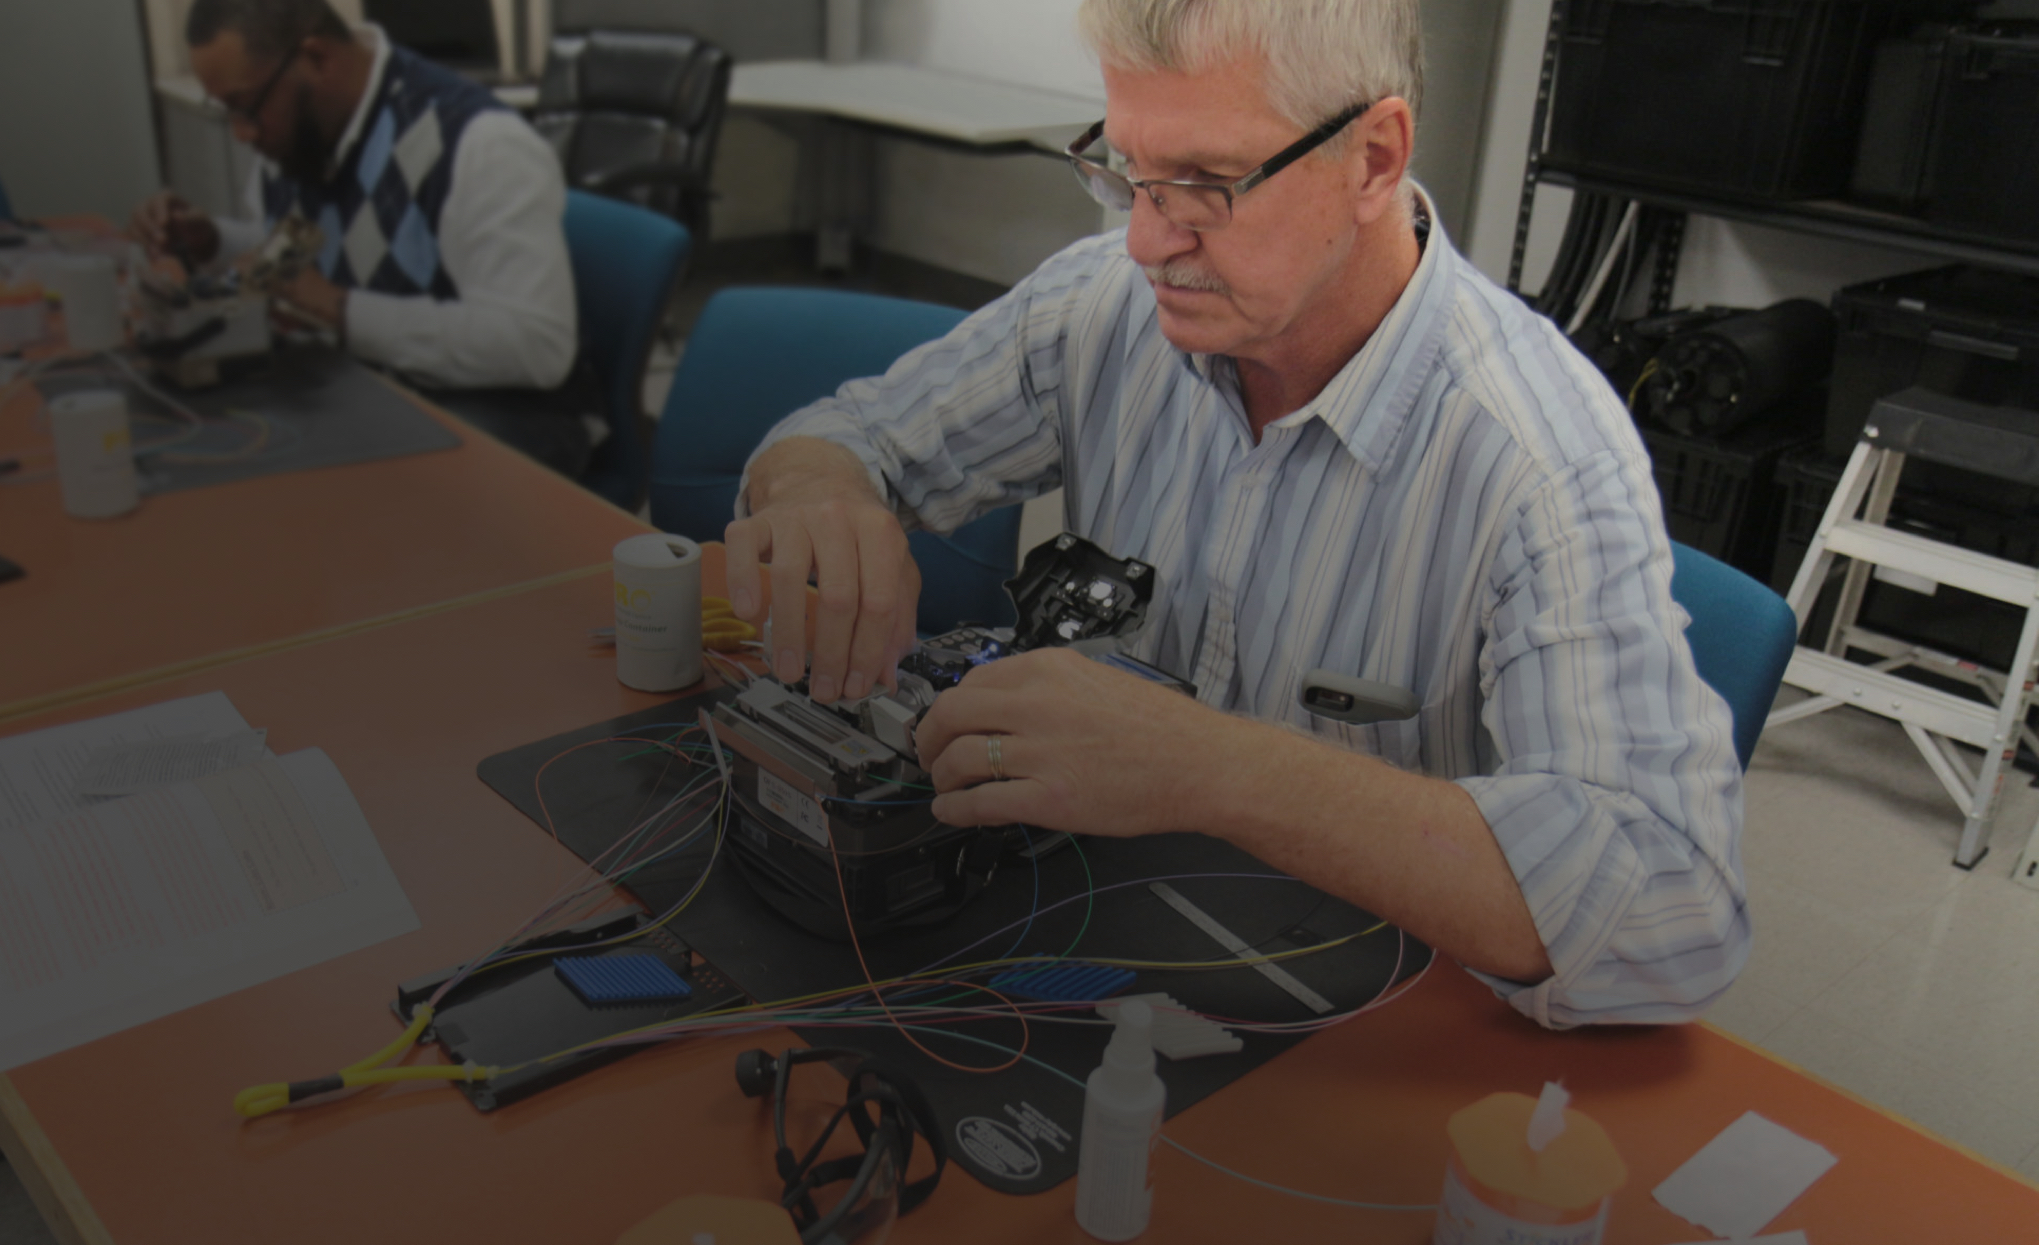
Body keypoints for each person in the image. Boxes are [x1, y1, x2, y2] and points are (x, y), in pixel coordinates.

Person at [723, 0, 1747, 1029]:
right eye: (1127, 168)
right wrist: (824, 493)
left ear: (1374, 159)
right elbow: (847, 435)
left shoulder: (1539, 457)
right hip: (1102, 947)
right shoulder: (1103, 310)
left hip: (1348, 1027)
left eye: (1207, 187)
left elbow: (1671, 906)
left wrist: (1207, 768)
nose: (1146, 240)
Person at [129, 0, 590, 475]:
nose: (243, 134)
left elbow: (537, 346)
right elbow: (302, 248)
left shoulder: (477, 142)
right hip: (368, 389)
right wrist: (211, 242)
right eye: (229, 112)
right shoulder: (296, 126)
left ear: (318, 60)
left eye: (246, 108)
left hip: (499, 416)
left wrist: (340, 309)